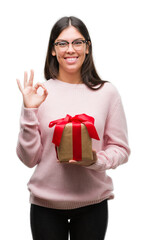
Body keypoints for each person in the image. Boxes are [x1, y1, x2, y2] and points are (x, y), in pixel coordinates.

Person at [16, 16, 130, 240]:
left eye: (77, 42)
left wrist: (96, 161)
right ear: (52, 50)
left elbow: (121, 148)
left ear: (87, 48)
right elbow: (29, 159)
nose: (70, 49)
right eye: (62, 43)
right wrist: (29, 111)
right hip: (45, 206)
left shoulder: (107, 92)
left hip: (93, 204)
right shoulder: (38, 93)